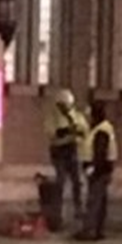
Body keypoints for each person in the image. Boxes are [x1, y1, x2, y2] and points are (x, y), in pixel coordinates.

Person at [76, 101, 118, 241]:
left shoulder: (101, 130)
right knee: (100, 202)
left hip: (98, 170)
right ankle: (98, 231)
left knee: (93, 201)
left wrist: (91, 168)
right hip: (103, 169)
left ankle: (89, 231)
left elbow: (100, 152)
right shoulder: (101, 128)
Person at [45, 89, 88, 220]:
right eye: (62, 105)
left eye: (66, 105)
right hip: (59, 150)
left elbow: (84, 131)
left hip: (73, 149)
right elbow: (51, 133)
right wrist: (67, 131)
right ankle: (57, 212)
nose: (64, 108)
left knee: (77, 181)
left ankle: (78, 209)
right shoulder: (52, 117)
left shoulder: (77, 116)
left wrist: (78, 132)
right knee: (60, 181)